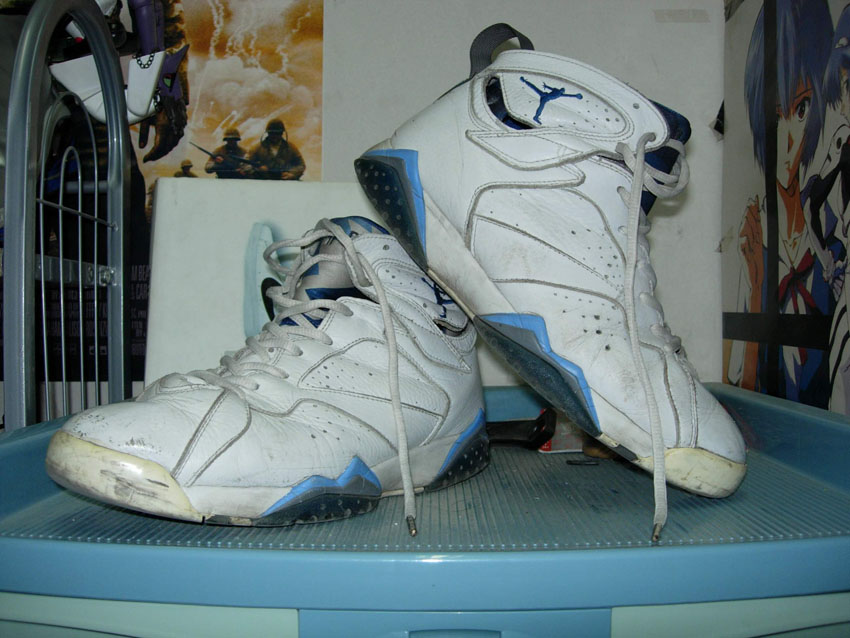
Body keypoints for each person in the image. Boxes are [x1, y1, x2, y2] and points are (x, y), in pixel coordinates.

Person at [727, 0, 835, 408]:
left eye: (801, 108)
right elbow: (740, 391)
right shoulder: (752, 237)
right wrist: (756, 287)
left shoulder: (831, 229)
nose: (788, 139)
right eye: (776, 117)